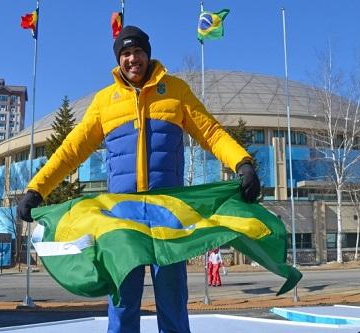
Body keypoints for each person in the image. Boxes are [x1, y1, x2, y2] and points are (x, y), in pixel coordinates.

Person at [17, 25, 260, 333]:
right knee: (122, 302)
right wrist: (37, 189)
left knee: (172, 300)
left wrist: (242, 162)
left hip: (168, 215)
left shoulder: (176, 90)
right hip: (122, 219)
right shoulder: (105, 101)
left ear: (148, 53)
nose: (133, 59)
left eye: (138, 52)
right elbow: (71, 151)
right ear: (119, 59)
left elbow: (210, 132)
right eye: (126, 53)